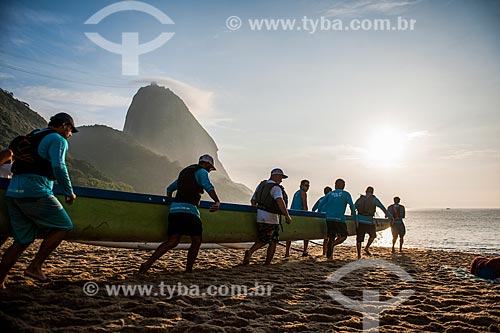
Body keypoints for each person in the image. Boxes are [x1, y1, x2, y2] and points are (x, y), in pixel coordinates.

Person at [0, 113, 78, 288]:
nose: (70, 134)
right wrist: (68, 191)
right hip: (35, 191)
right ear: (65, 126)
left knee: (22, 240)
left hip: (13, 192)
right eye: (71, 130)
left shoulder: (34, 135)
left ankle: (0, 280)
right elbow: (59, 166)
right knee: (64, 226)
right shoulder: (58, 139)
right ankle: (35, 266)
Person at [139, 154, 221, 274]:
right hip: (190, 211)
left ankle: (146, 264)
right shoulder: (202, 172)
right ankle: (188, 270)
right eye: (210, 168)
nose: (210, 170)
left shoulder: (185, 172)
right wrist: (217, 201)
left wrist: (170, 203)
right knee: (196, 240)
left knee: (172, 241)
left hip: (175, 210)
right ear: (207, 164)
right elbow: (208, 186)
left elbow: (169, 188)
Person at [243, 168, 292, 266]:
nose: (281, 180)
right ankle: (266, 262)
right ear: (276, 176)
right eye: (280, 177)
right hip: (271, 218)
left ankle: (250, 252)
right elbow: (280, 201)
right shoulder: (276, 188)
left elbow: (252, 201)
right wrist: (287, 215)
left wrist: (259, 211)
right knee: (273, 241)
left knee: (262, 239)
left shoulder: (261, 186)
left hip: (260, 216)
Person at [318, 179, 356, 260]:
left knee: (331, 237)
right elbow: (352, 206)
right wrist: (354, 218)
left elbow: (321, 204)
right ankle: (333, 245)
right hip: (339, 219)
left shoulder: (330, 194)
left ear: (335, 185)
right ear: (343, 186)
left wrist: (319, 214)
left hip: (329, 218)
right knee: (344, 236)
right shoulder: (346, 194)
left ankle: (330, 257)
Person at [355, 186, 393, 259]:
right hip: (369, 221)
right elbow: (383, 208)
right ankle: (366, 248)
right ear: (372, 192)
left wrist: (354, 218)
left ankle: (359, 255)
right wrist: (390, 216)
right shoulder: (374, 199)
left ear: (366, 191)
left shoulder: (360, 199)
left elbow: (353, 207)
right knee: (373, 236)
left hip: (360, 220)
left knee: (359, 239)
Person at [286, 179, 309, 257]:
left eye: (308, 186)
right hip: (299, 215)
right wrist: (307, 215)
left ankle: (287, 252)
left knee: (290, 234)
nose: (307, 187)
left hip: (293, 214)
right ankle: (305, 251)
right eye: (306, 185)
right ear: (301, 186)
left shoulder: (297, 192)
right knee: (307, 234)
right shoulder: (303, 193)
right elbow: (304, 205)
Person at [312, 186, 332, 256]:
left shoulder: (321, 199)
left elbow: (313, 209)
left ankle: (324, 252)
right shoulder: (331, 199)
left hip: (319, 218)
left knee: (325, 237)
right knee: (327, 237)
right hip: (327, 218)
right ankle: (324, 252)